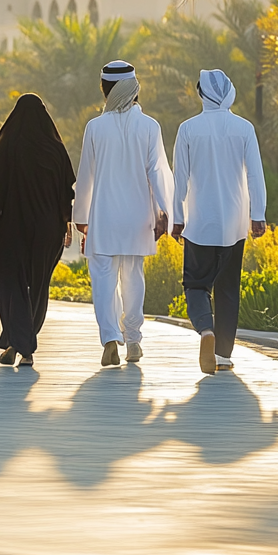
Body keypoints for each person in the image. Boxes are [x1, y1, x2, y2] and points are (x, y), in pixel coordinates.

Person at [74, 61, 173, 367]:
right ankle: (133, 340)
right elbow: (158, 171)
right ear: (135, 90)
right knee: (133, 276)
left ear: (104, 90)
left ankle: (109, 339)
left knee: (103, 279)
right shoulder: (150, 126)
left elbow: (86, 175)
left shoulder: (95, 127)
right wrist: (164, 212)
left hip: (103, 216)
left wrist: (81, 215)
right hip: (136, 217)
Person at [172, 70, 267, 374]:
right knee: (227, 288)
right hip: (234, 223)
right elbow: (254, 174)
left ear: (201, 94)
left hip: (199, 222)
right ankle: (223, 355)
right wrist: (258, 214)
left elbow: (180, 178)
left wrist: (176, 218)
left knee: (196, 284)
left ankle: (205, 332)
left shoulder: (188, 129)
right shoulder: (244, 128)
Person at [0, 94, 75, 368]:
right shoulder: (55, 149)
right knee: (38, 285)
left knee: (12, 285)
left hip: (12, 227)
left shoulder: (6, 144)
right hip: (48, 230)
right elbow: (67, 192)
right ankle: (22, 343)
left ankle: (19, 342)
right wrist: (66, 224)